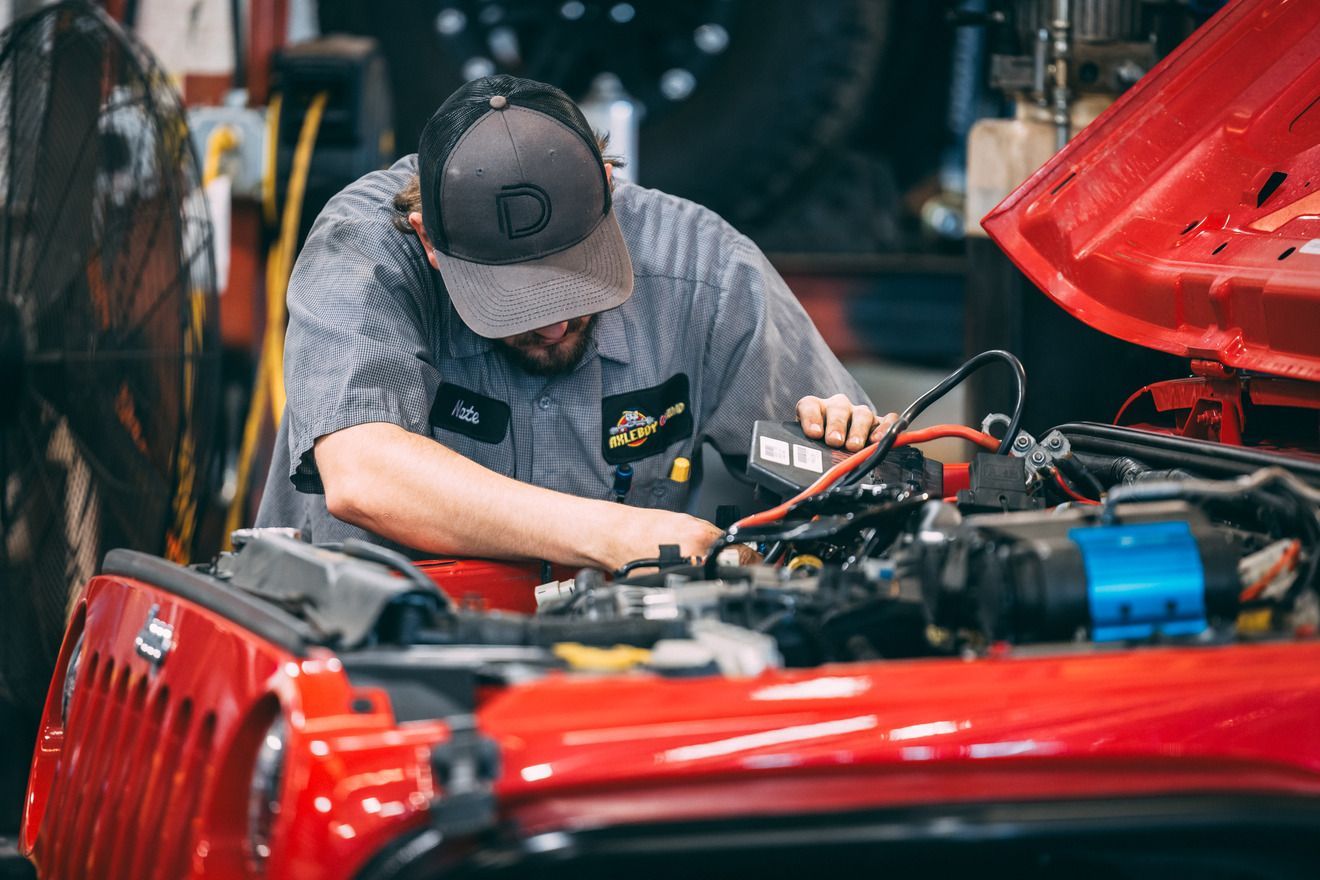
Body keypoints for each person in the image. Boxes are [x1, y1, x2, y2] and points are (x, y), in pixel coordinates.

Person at [255, 75, 892, 571]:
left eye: (575, 282)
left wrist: (855, 448)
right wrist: (620, 535)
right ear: (429, 241)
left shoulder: (705, 268)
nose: (556, 326)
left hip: (603, 674)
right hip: (362, 662)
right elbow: (364, 475)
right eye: (514, 301)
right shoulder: (361, 252)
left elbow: (857, 480)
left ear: (609, 195)